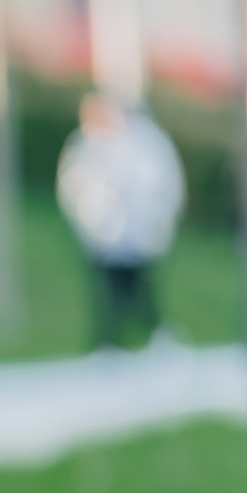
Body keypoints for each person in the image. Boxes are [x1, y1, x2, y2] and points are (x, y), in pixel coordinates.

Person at [56, 92, 186, 350]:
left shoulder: (146, 142)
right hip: (103, 237)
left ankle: (156, 337)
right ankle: (108, 344)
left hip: (140, 236)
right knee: (106, 294)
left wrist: (159, 220)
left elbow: (162, 184)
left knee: (141, 290)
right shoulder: (86, 145)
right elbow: (73, 187)